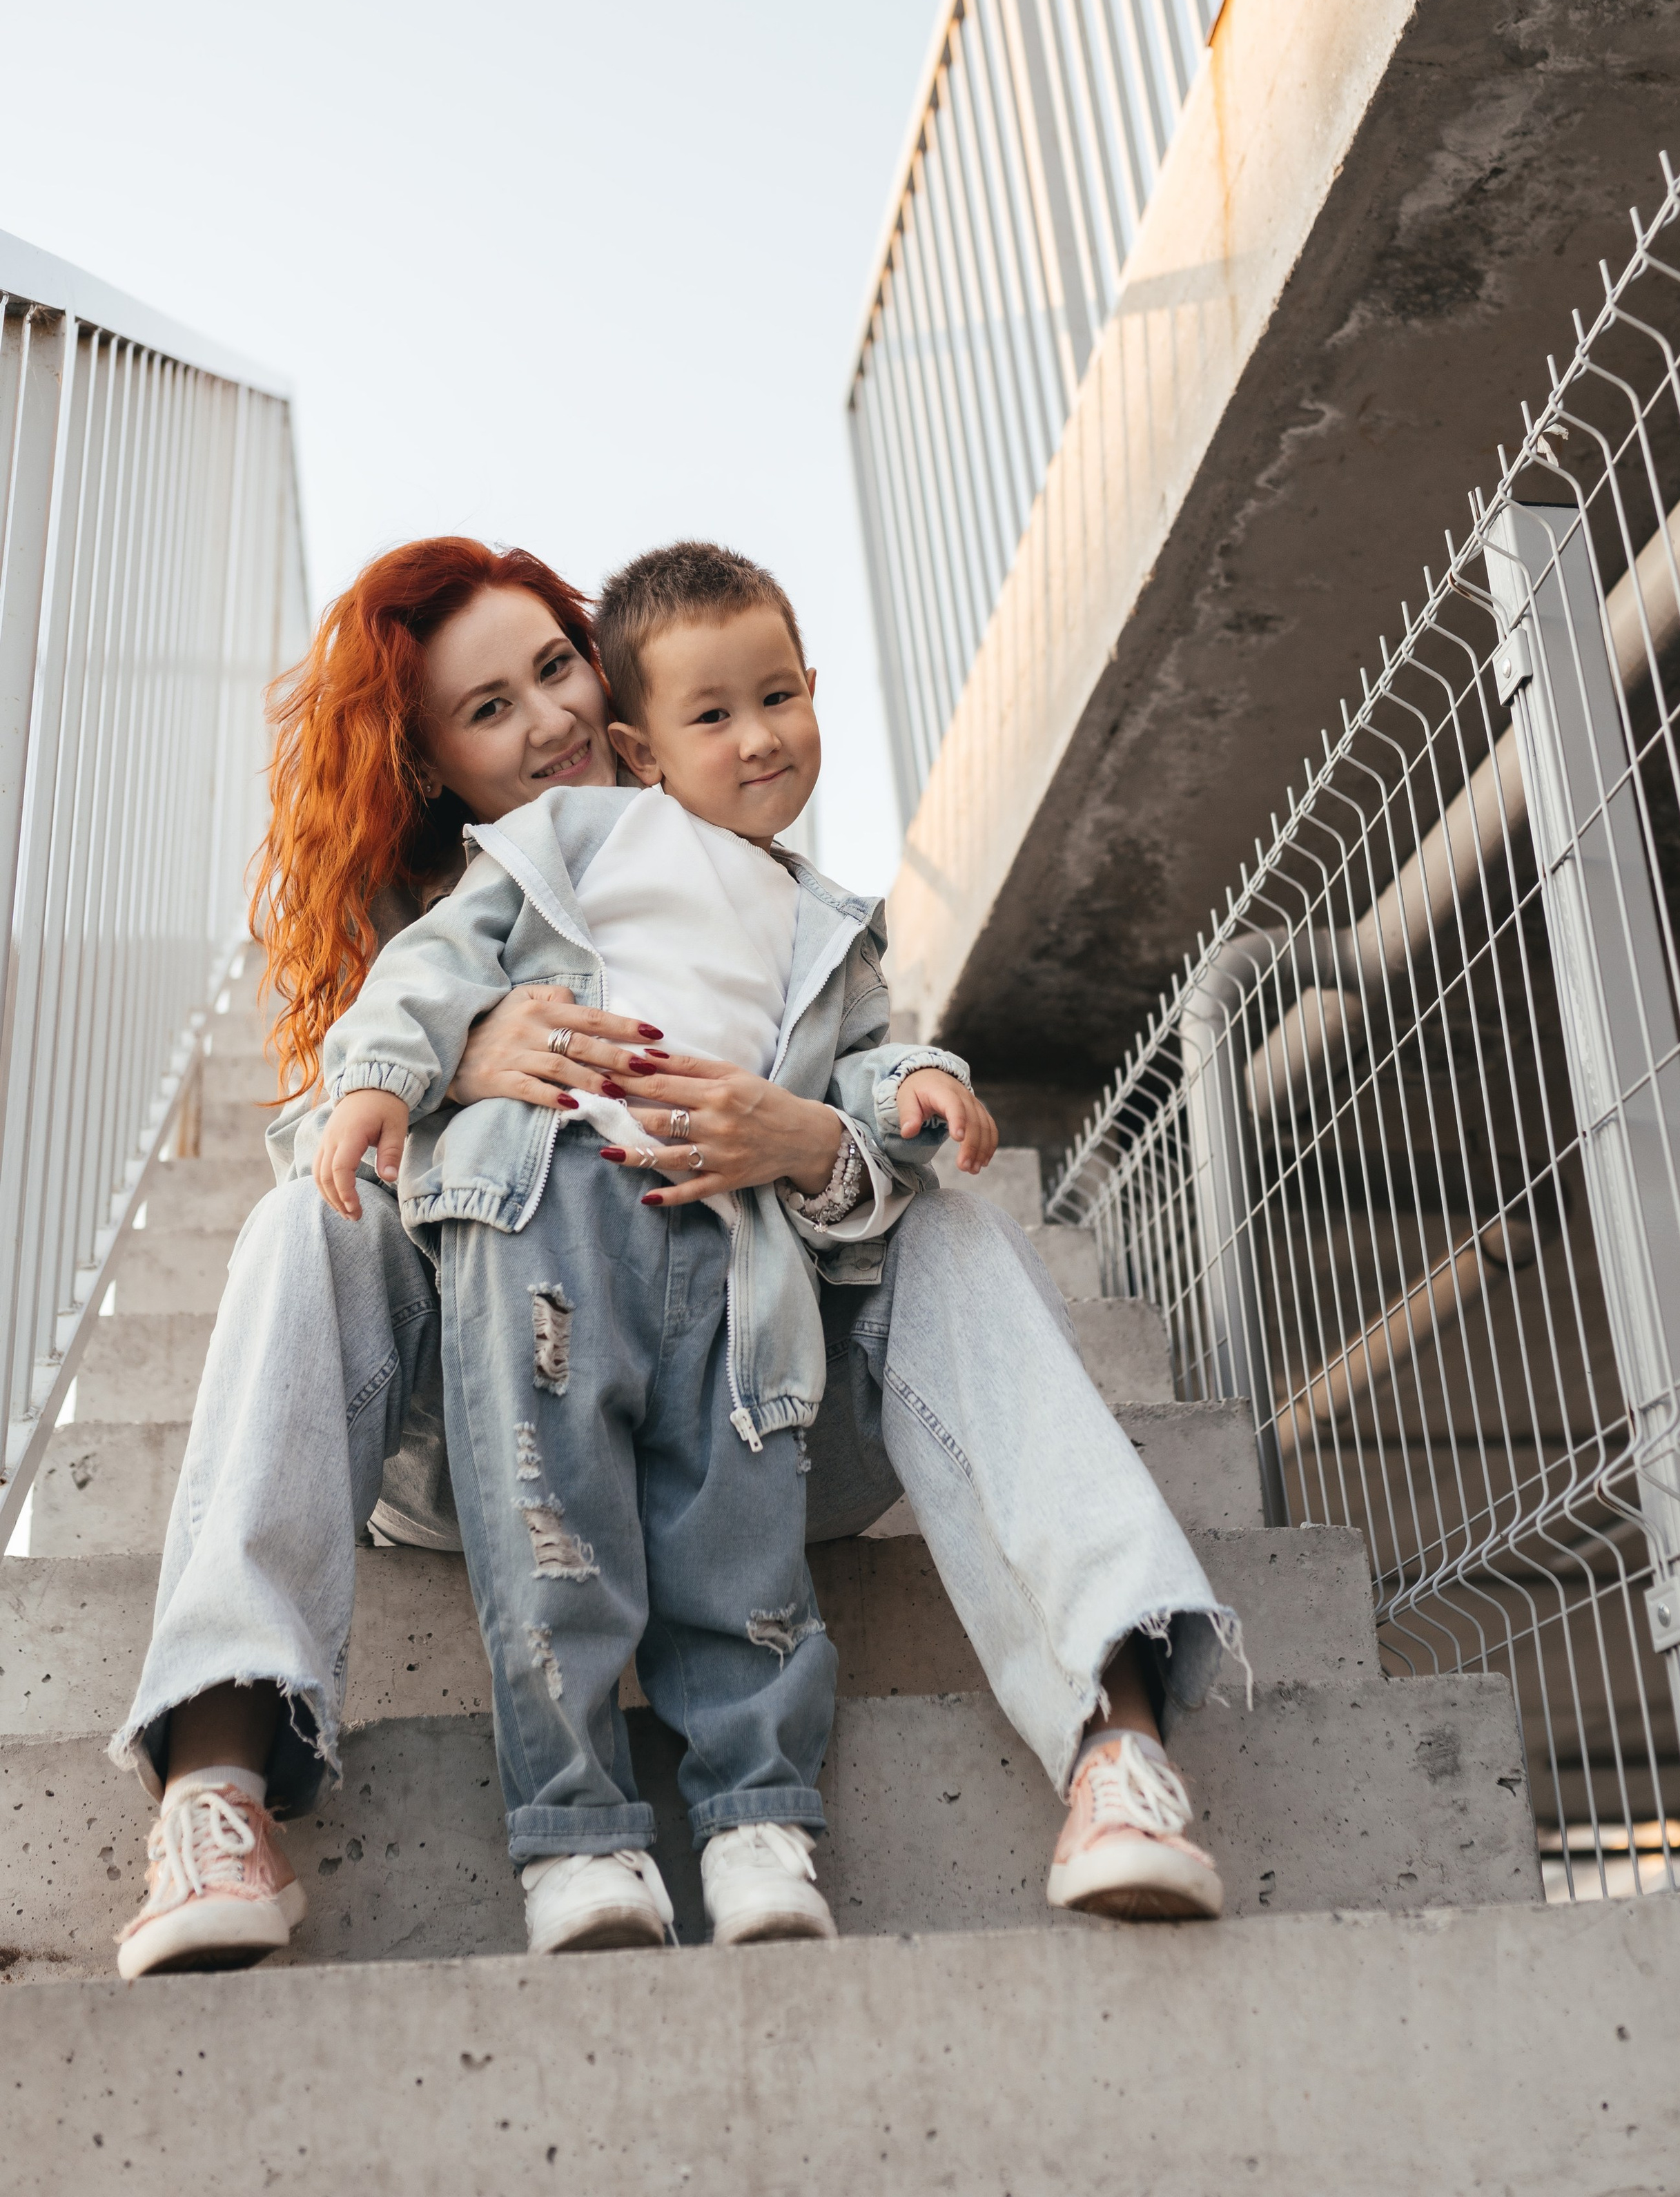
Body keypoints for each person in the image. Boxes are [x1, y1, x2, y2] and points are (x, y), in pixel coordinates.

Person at [110, 537, 1237, 1980]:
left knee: (945, 1218)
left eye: (557, 669)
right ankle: (216, 1783)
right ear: (437, 768)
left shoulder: (761, 910)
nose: (552, 721)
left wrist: (810, 1140)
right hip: (497, 1426)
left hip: (752, 1405)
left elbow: (872, 1081)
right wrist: (452, 1062)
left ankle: (1115, 1748)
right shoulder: (439, 945)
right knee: (298, 1221)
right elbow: (327, 1139)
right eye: (490, 710)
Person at [312, 541, 997, 1953]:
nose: (749, 743)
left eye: (774, 704)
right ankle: (576, 1839)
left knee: (737, 1540)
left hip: (731, 1249)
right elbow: (433, 967)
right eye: (709, 714)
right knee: (549, 1530)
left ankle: (757, 1820)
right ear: (646, 741)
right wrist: (382, 1079)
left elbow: (850, 1056)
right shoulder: (567, 841)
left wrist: (911, 1084)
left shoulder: (818, 913)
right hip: (548, 1235)